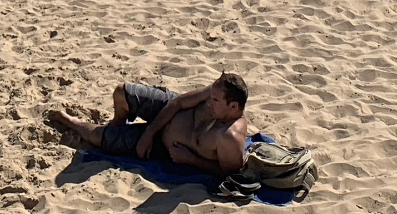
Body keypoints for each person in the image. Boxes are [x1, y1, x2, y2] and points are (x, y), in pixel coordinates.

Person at [45, 74, 251, 176]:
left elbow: (228, 172)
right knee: (121, 92)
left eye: (215, 101)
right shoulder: (214, 93)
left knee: (99, 138)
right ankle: (118, 122)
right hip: (168, 109)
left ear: (233, 106)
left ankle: (71, 121)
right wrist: (149, 132)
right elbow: (178, 103)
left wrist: (190, 159)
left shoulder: (228, 137)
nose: (210, 101)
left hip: (162, 147)